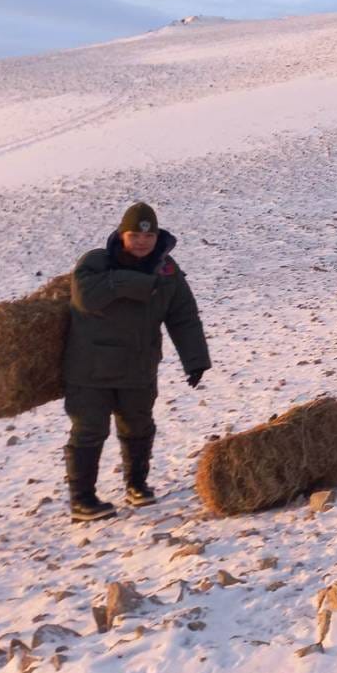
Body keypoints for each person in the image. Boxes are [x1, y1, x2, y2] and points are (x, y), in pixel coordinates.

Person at [62, 202, 210, 521]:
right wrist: (138, 283)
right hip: (89, 369)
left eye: (149, 236)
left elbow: (183, 317)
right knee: (89, 430)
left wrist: (195, 359)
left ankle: (137, 485)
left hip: (139, 366)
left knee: (138, 425)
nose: (142, 242)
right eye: (135, 235)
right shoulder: (95, 262)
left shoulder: (167, 270)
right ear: (121, 234)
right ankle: (82, 500)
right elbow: (85, 298)